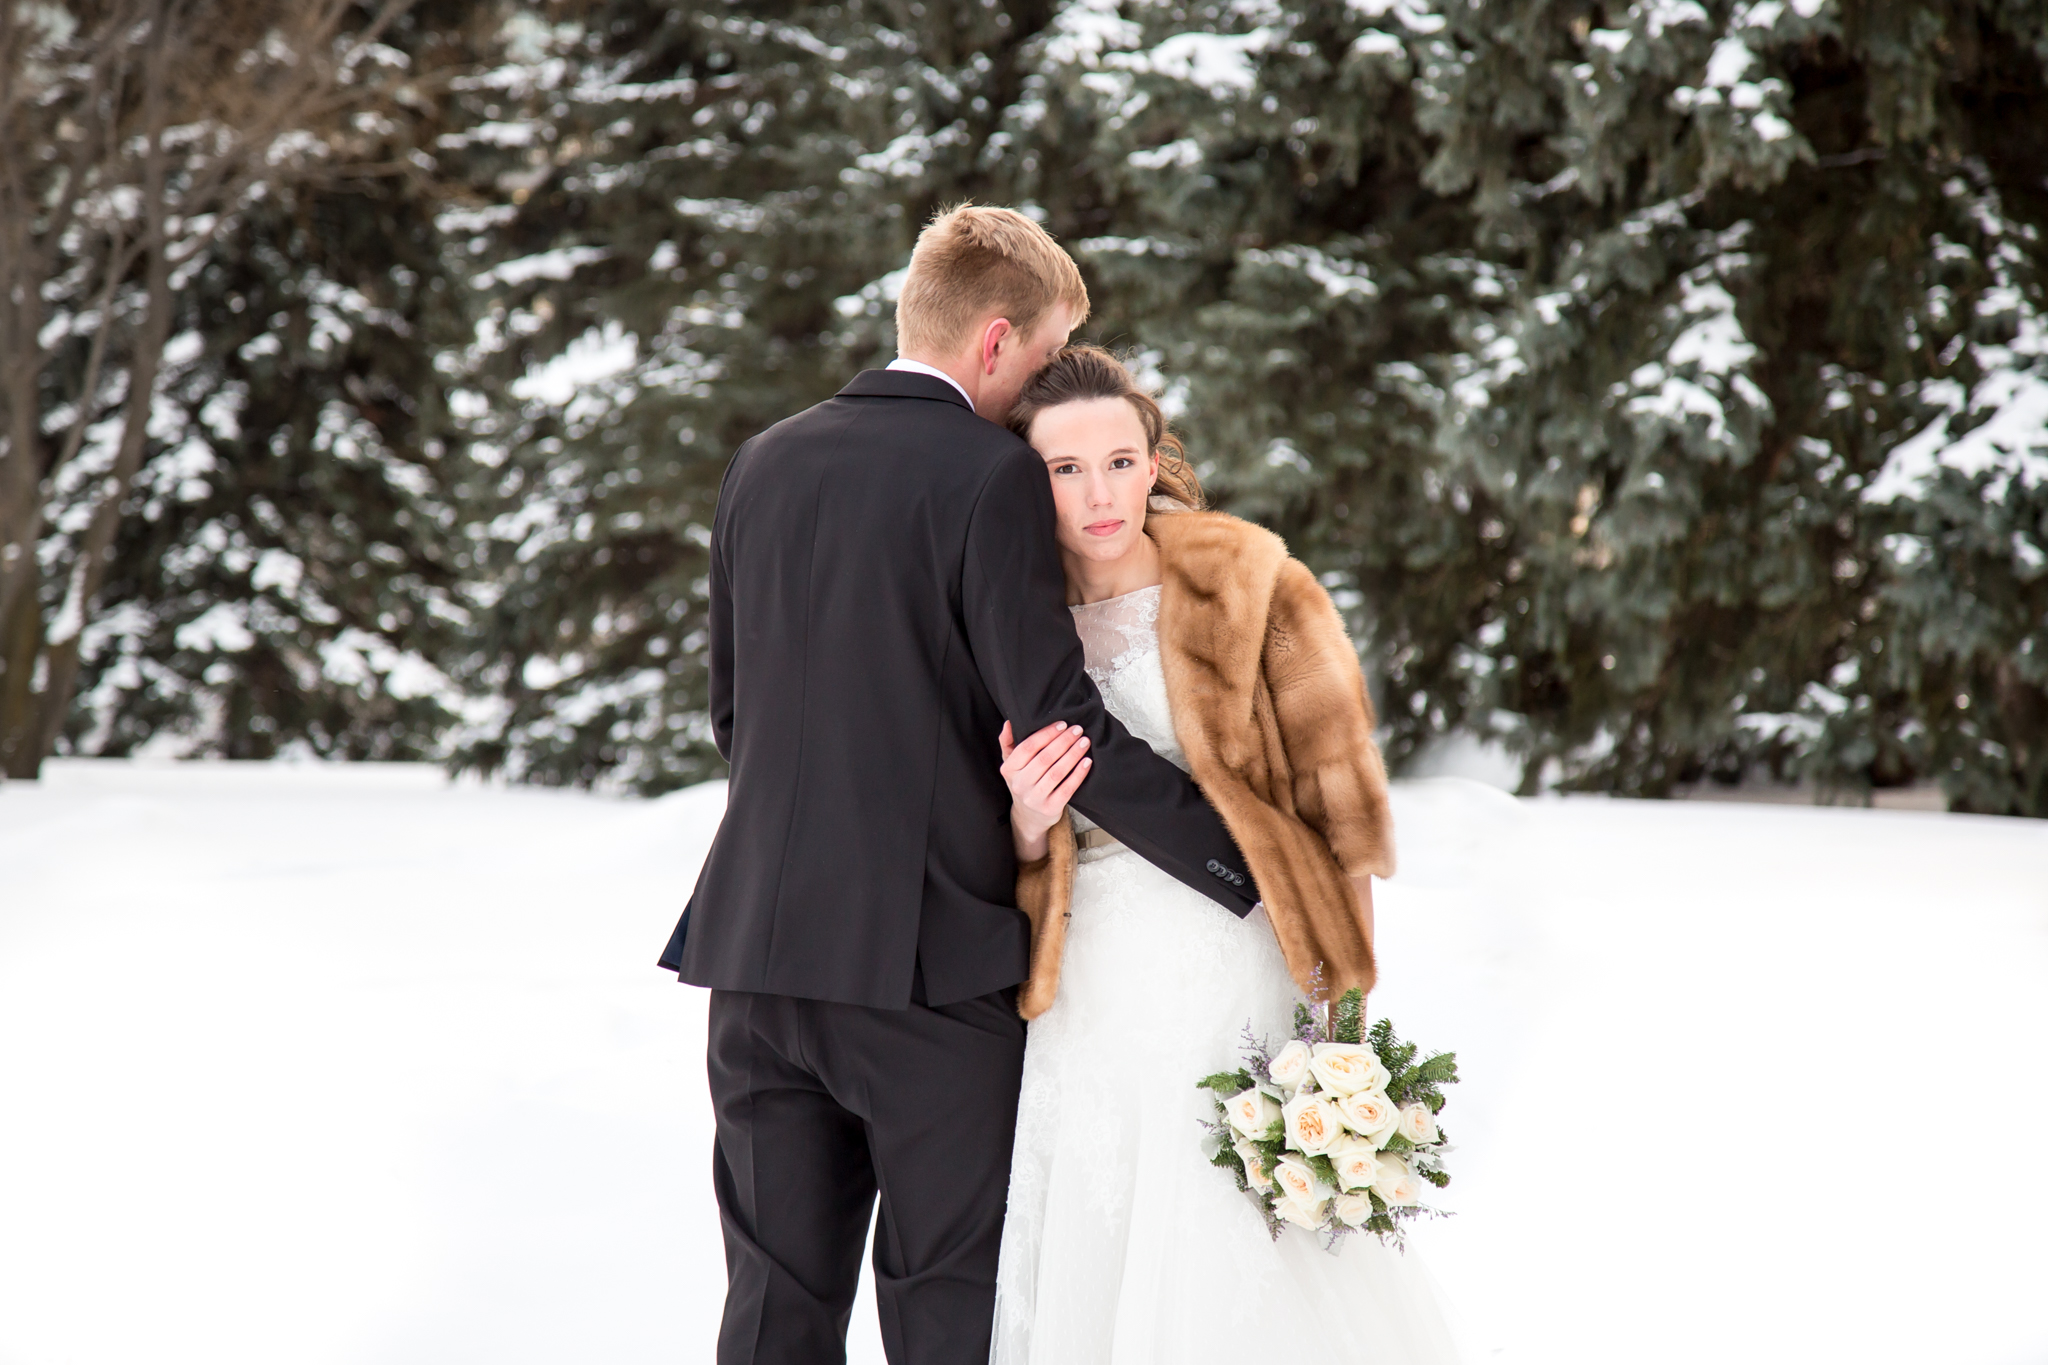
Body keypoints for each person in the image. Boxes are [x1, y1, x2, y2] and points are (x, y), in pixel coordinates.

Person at [658, 208, 1263, 1365]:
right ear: (995, 342)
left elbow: (734, 718)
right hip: (926, 970)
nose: (1047, 388)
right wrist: (1251, 865)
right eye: (1046, 355)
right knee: (946, 1309)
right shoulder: (990, 476)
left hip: (754, 960)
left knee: (774, 1312)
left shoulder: (762, 460)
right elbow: (1063, 728)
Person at [989, 346, 1463, 1363]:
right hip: (1087, 987)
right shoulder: (1012, 617)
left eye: (1119, 461)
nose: (1099, 494)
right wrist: (1027, 819)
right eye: (1064, 470)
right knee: (1103, 1243)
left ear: (1153, 460)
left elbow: (1341, 809)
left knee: (1233, 1238)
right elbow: (1025, 847)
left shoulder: (1252, 583)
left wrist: (1342, 1013)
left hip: (1234, 965)